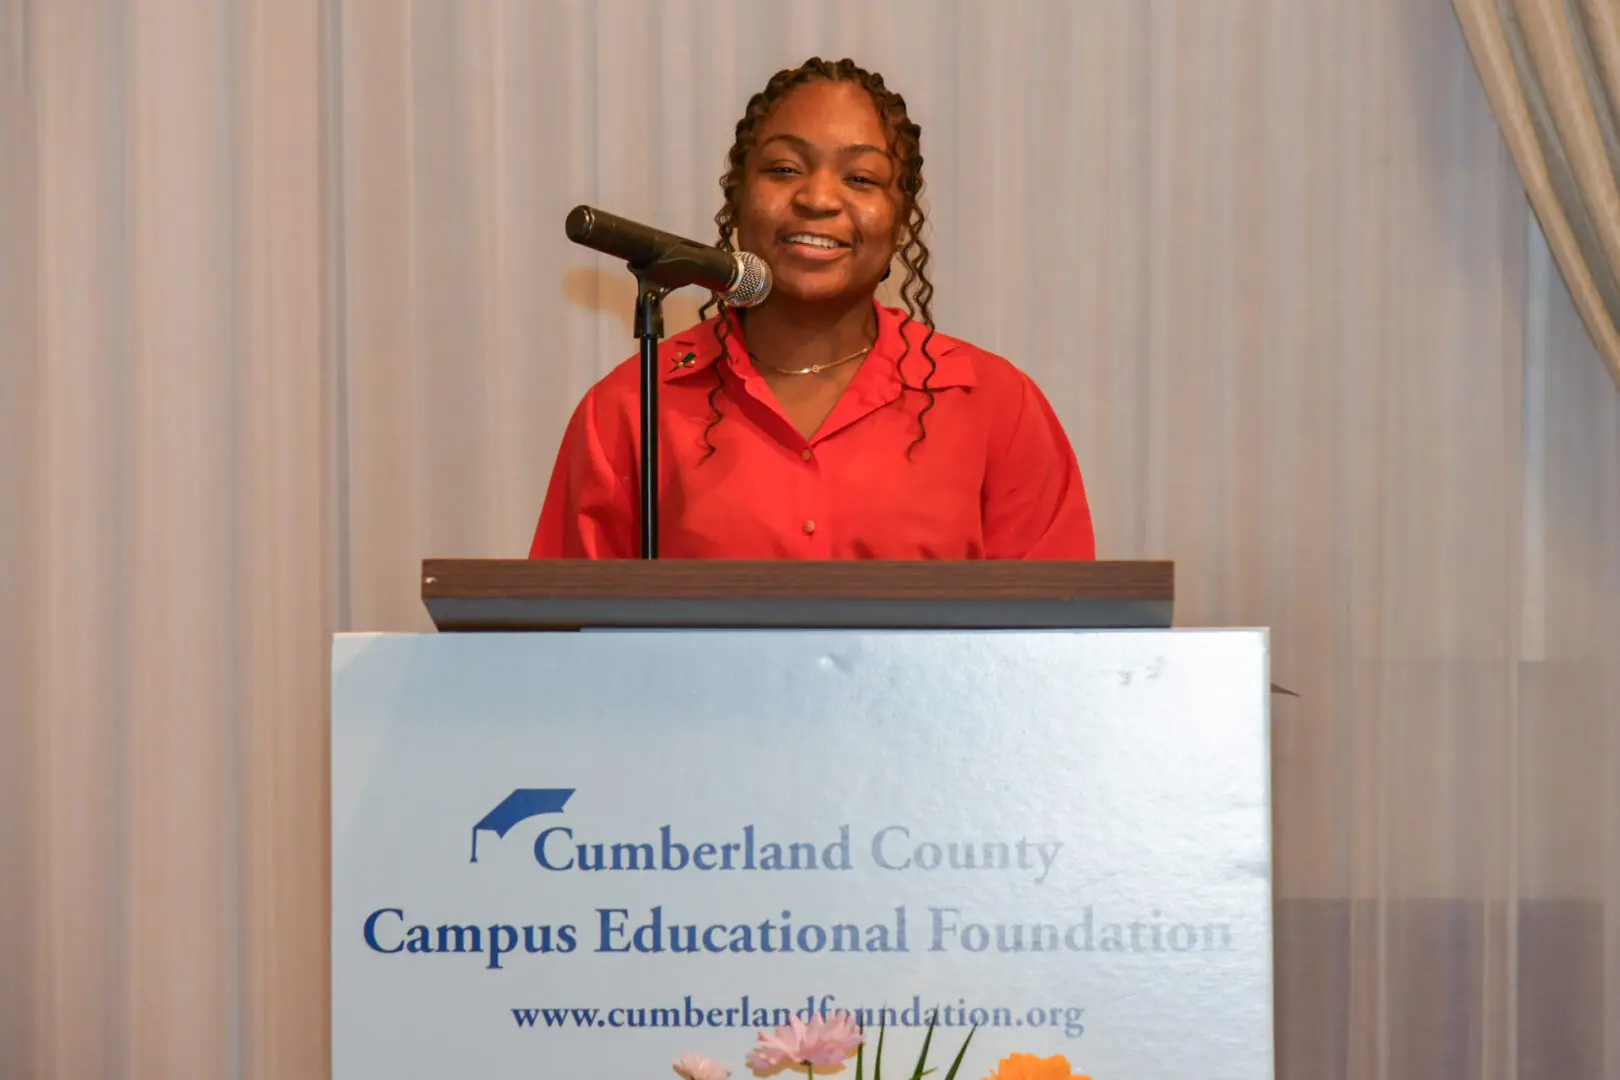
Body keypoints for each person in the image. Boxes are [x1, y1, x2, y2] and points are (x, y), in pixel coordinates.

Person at [530, 57, 1095, 560]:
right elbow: (560, 631)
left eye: (861, 178)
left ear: (901, 221)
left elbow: (1054, 634)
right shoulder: (631, 408)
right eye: (784, 169)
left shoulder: (995, 407)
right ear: (736, 199)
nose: (818, 199)